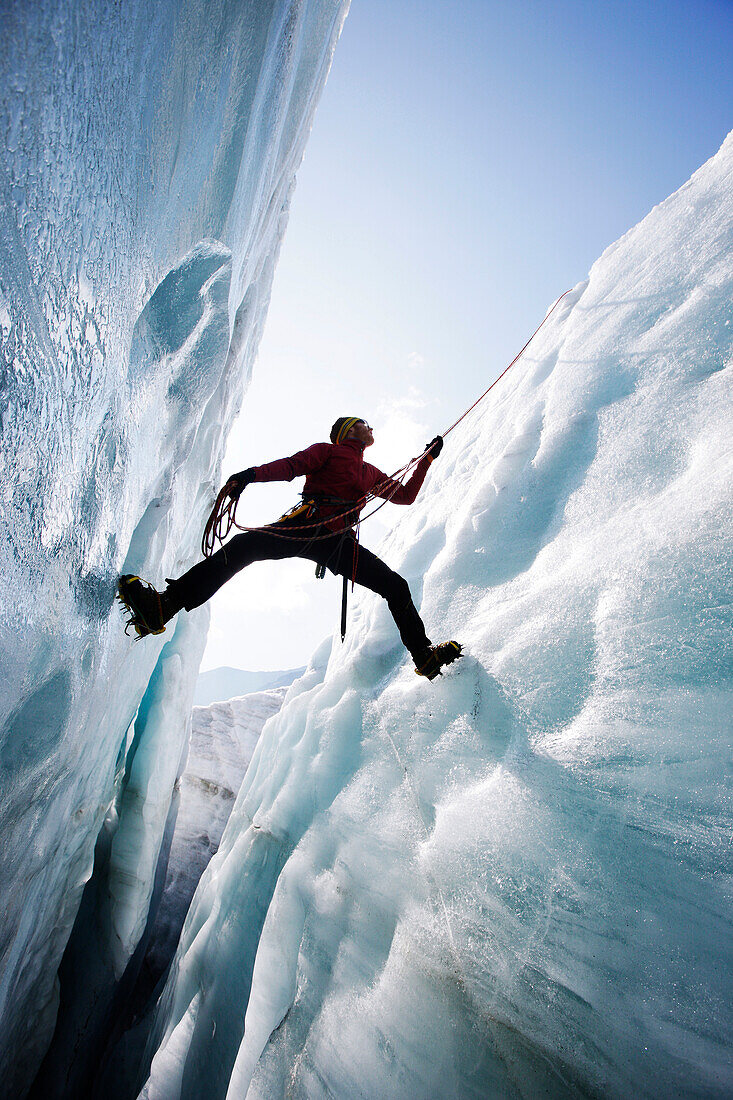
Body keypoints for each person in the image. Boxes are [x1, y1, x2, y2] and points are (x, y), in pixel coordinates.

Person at [117, 417, 462, 679]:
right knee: (242, 547)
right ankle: (164, 607)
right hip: (306, 522)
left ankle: (424, 657)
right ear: (346, 433)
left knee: (395, 586)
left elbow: (404, 496)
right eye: (362, 424)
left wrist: (426, 462)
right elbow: (291, 467)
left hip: (337, 541)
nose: (370, 427)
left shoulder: (370, 471)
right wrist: (250, 475)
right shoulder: (327, 452)